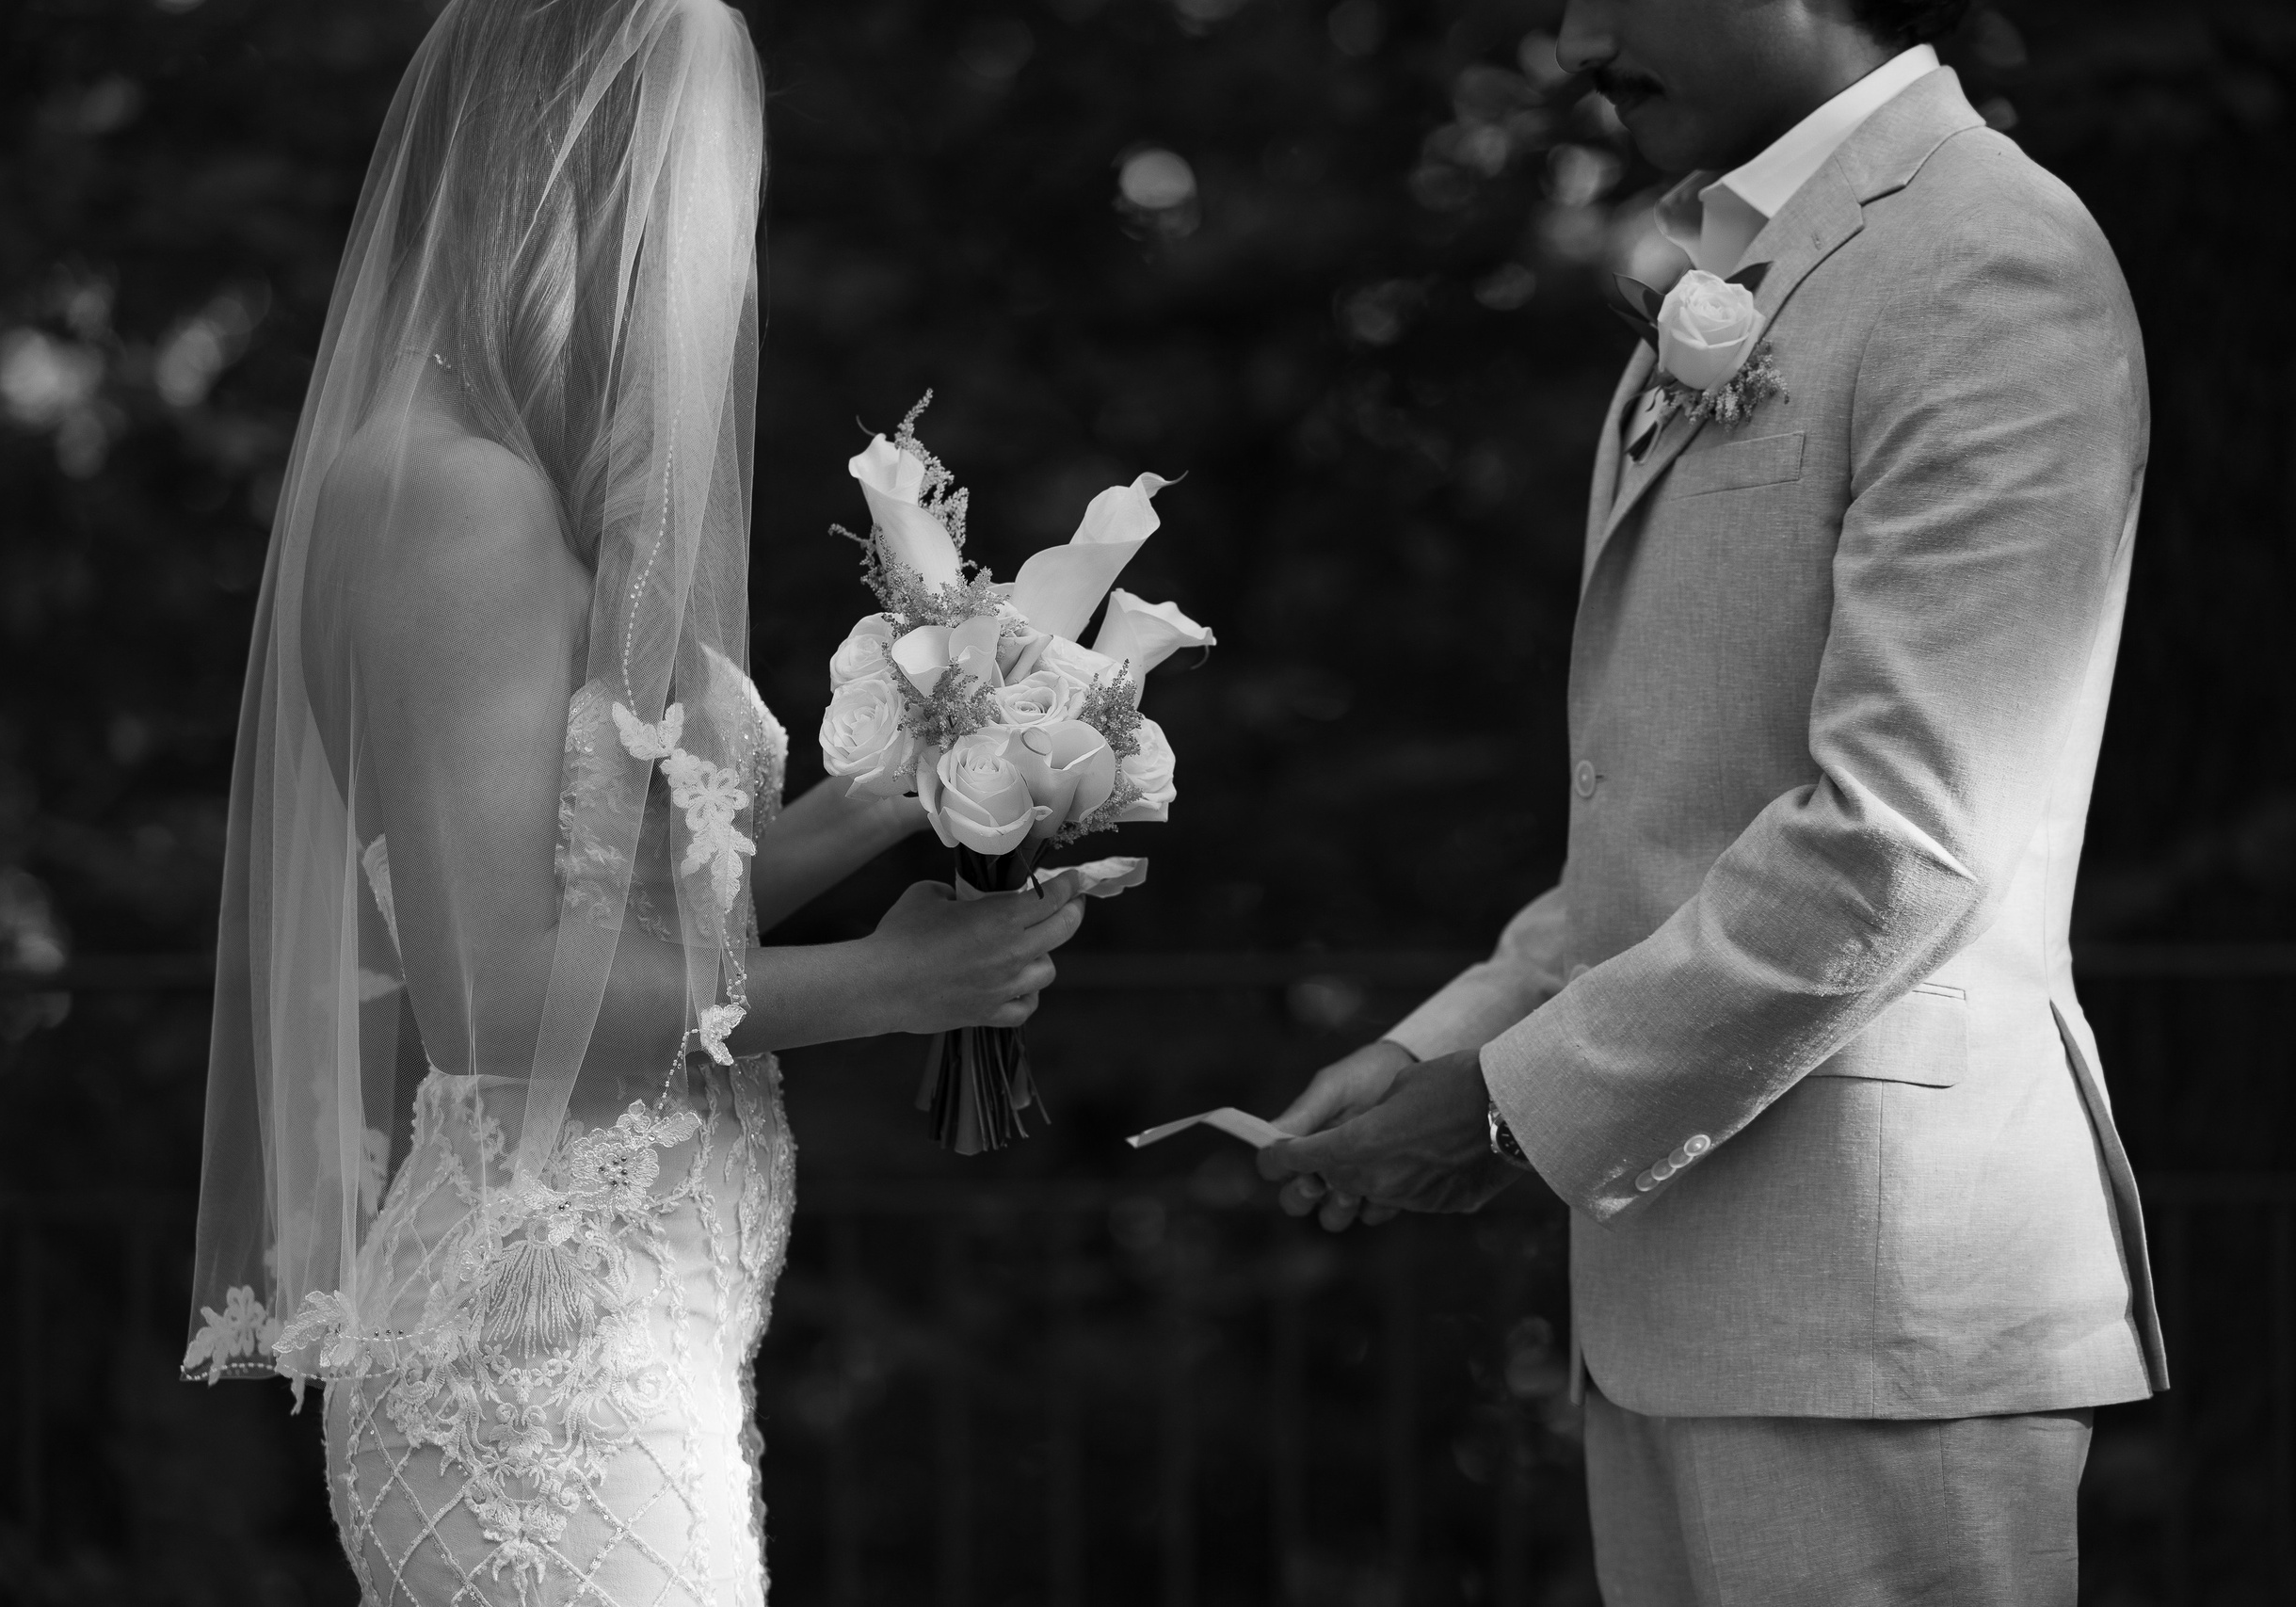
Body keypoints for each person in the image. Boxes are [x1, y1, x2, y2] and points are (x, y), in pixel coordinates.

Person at [179, 3, 1086, 1602]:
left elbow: (625, 924)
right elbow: (492, 997)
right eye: (701, 176)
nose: (716, 243)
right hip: (533, 1377)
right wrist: (893, 985)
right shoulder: (448, 497)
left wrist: (917, 784)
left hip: (634, 1346)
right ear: (588, 175)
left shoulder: (502, 486)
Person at [1259, 1, 2163, 1600]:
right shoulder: (1725, 274)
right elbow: (1665, 815)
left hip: (1884, 1309)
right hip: (1677, 1295)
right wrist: (1447, 1041)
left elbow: (1902, 830)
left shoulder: (1990, 255)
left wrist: (1506, 1102)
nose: (1575, 34)